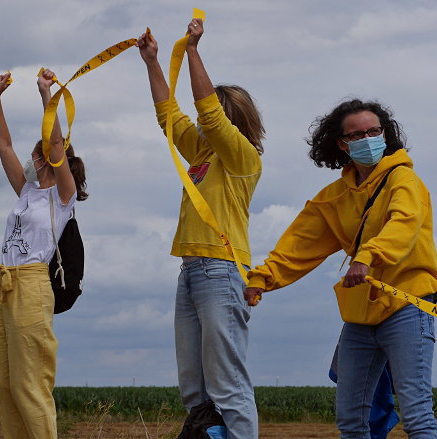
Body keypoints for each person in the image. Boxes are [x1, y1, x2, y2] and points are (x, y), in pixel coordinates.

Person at [244, 99, 437, 438]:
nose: (367, 138)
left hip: (408, 305)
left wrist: (367, 256)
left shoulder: (404, 181)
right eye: (356, 134)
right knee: (351, 421)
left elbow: (404, 224)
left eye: (374, 131)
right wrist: (261, 280)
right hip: (360, 314)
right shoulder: (334, 197)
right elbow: (299, 245)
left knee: (417, 416)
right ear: (341, 144)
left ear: (385, 134)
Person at [136, 18, 264, 438]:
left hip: (221, 269)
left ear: (234, 119)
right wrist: (153, 61)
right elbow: (169, 116)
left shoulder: (243, 157)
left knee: (228, 386)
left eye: (216, 115)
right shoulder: (202, 153)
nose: (205, 117)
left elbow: (207, 114)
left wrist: (192, 51)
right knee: (195, 390)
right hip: (192, 270)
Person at [0, 68, 87, 439]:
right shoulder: (28, 190)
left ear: (47, 157)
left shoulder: (62, 195)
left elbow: (57, 144)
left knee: (30, 385)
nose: (29, 158)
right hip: (4, 283)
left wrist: (46, 94)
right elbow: (3, 145)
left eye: (36, 153)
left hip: (31, 284)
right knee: (8, 386)